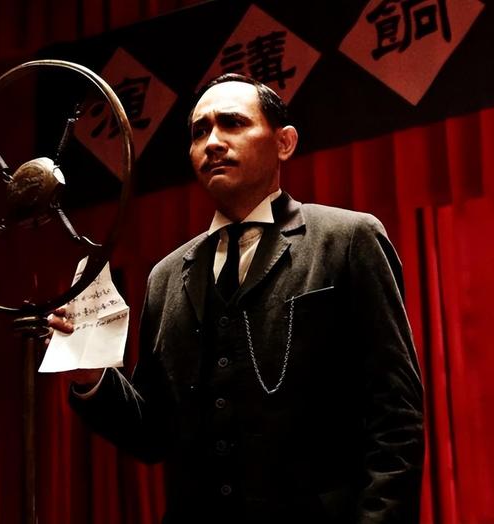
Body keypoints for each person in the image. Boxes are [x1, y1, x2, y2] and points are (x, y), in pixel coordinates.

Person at [49, 73, 424, 523]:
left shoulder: (347, 239)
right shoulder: (165, 276)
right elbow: (155, 436)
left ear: (284, 142)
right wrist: (92, 378)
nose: (212, 142)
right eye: (199, 131)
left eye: (233, 123)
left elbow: (396, 416)